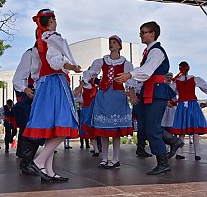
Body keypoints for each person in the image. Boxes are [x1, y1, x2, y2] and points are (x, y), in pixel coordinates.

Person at [22, 9, 81, 182]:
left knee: (54, 128)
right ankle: (39, 161)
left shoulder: (42, 39)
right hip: (55, 84)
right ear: (52, 20)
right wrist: (73, 66)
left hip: (45, 84)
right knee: (64, 123)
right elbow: (55, 63)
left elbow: (38, 69)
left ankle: (48, 171)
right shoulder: (53, 37)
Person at [115, 21, 176, 175]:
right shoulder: (150, 52)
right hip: (150, 91)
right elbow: (144, 74)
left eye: (143, 32)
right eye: (141, 32)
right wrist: (131, 89)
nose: (141, 35)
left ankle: (163, 162)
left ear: (153, 33)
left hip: (156, 92)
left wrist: (130, 74)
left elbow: (147, 71)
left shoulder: (156, 51)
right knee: (145, 123)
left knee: (151, 128)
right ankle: (173, 141)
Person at [74, 35, 134, 169]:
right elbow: (91, 74)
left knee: (116, 129)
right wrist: (80, 87)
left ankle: (116, 158)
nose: (111, 44)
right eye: (110, 42)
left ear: (119, 46)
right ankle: (104, 158)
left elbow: (130, 81)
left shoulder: (126, 63)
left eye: (114, 43)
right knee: (102, 128)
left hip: (118, 96)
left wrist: (131, 94)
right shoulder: (101, 61)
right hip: (104, 95)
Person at [12, 42, 43, 173]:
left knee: (37, 129)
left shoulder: (48, 56)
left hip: (40, 96)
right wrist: (25, 89)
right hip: (28, 97)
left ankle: (29, 162)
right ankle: (26, 163)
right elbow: (18, 78)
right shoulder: (30, 53)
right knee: (30, 129)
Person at [168, 61, 207, 160]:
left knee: (181, 130)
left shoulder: (176, 81)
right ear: (188, 68)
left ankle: (179, 153)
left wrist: (176, 101)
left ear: (179, 69)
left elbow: (170, 94)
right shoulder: (194, 79)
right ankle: (197, 154)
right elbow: (205, 87)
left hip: (182, 105)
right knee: (195, 130)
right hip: (193, 105)